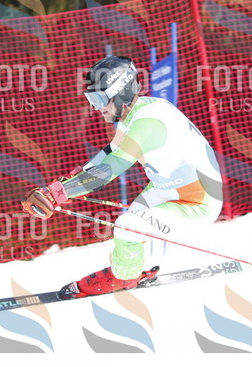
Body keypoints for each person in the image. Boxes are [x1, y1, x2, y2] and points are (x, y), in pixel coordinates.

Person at [21, 55, 223, 299]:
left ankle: (124, 278)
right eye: (91, 100)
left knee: (127, 227)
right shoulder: (137, 112)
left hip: (198, 204)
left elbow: (110, 169)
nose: (97, 108)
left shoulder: (147, 123)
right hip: (166, 190)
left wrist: (60, 193)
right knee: (129, 231)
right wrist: (67, 184)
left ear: (120, 92)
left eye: (99, 99)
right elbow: (111, 150)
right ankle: (131, 272)